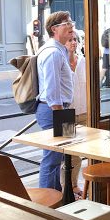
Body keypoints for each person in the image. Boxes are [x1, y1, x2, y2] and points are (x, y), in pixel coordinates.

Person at [36, 11, 74, 190]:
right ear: (54, 29)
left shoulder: (59, 50)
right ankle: (48, 204)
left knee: (56, 158)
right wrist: (61, 116)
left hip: (57, 110)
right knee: (51, 160)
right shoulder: (53, 53)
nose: (71, 25)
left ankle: (57, 197)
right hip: (54, 111)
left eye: (70, 21)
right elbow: (52, 90)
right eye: (66, 22)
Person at [60, 30, 86, 198]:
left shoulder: (83, 60)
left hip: (83, 111)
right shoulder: (60, 61)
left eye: (75, 39)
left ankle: (75, 185)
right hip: (66, 113)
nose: (73, 42)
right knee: (67, 154)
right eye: (70, 40)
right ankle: (65, 188)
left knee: (78, 155)